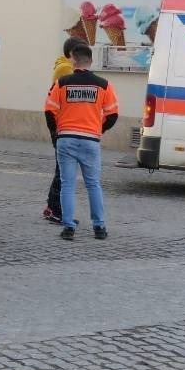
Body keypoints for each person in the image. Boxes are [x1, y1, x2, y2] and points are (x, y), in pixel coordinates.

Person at [45, 45, 119, 240]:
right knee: (93, 184)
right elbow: (113, 115)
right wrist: (99, 129)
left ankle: (68, 228)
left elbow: (49, 111)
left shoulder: (62, 83)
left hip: (66, 139)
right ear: (91, 61)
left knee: (67, 185)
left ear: (73, 61)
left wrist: (57, 131)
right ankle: (99, 227)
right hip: (90, 140)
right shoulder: (104, 85)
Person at [43, 36, 88, 224]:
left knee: (62, 169)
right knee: (62, 171)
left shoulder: (65, 67)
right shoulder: (66, 69)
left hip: (64, 125)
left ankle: (52, 207)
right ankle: (54, 209)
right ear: (71, 52)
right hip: (62, 126)